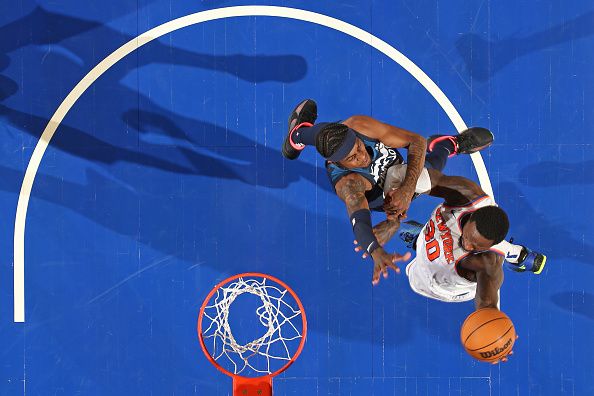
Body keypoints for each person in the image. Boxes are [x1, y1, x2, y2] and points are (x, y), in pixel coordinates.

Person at [282, 99, 494, 278]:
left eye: (358, 147)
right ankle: (445, 145)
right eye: (352, 158)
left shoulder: (358, 126)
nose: (362, 156)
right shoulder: (349, 183)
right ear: (339, 164)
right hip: (382, 194)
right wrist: (376, 250)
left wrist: (407, 190)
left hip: (393, 171)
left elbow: (416, 141)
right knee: (428, 172)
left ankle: (298, 134)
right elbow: (360, 223)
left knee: (322, 134)